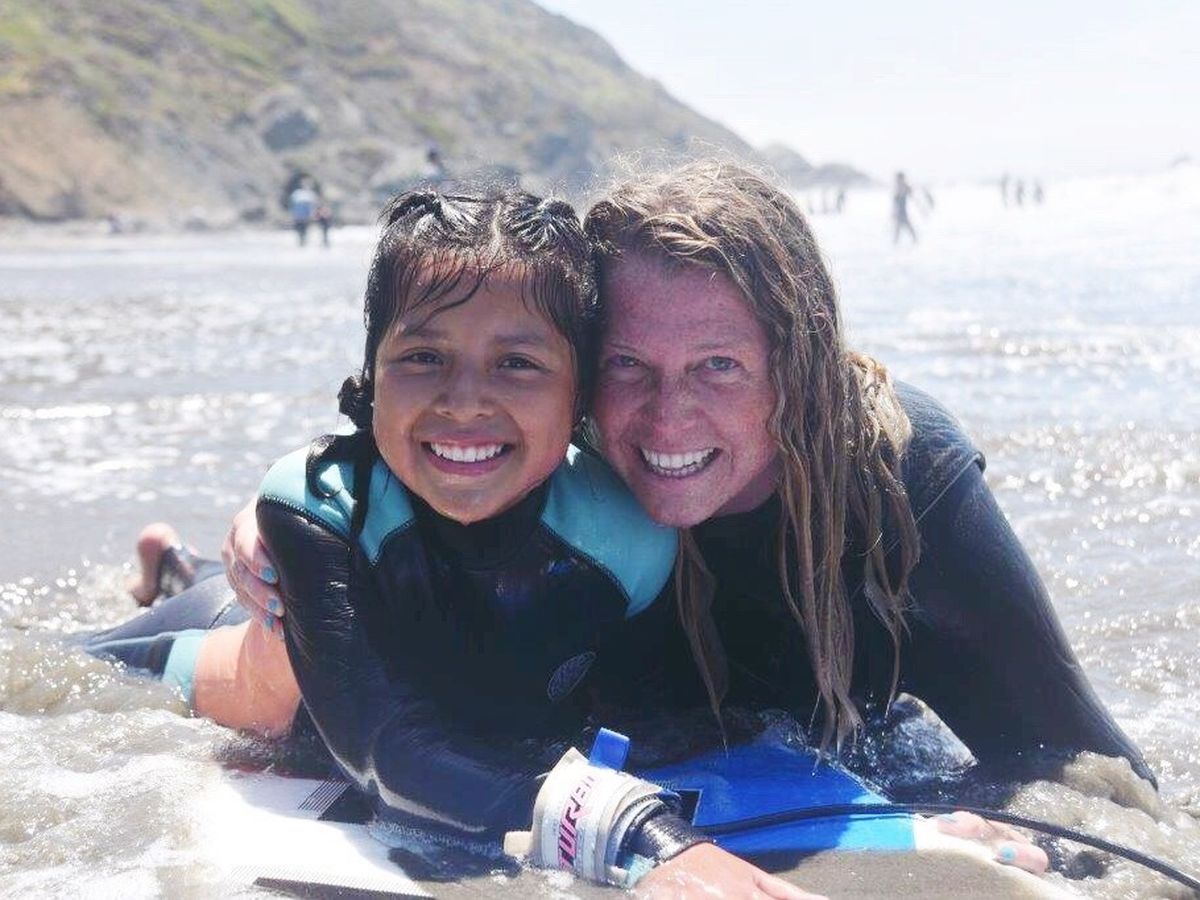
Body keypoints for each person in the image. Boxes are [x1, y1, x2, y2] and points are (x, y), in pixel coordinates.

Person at [892, 170, 918, 243]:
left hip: (903, 211)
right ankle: (896, 242)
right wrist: (893, 212)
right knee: (899, 227)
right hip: (899, 211)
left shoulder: (904, 187)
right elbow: (895, 202)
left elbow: (910, 192)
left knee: (904, 226)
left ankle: (914, 240)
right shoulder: (898, 188)